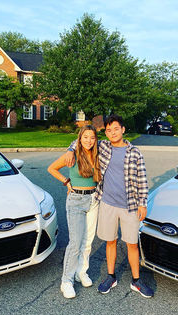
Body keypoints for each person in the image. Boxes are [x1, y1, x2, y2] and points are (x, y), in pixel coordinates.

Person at [65, 114, 154, 298]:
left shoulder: (135, 152)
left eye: (116, 129)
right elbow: (84, 140)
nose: (112, 132)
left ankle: (136, 281)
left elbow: (142, 180)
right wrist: (70, 149)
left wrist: (142, 204)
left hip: (130, 205)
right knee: (110, 241)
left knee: (131, 244)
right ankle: (111, 276)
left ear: (122, 129)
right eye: (109, 130)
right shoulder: (103, 147)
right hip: (107, 203)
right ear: (106, 133)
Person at [48, 125, 101, 299]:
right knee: (75, 242)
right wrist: (66, 182)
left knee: (88, 240)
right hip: (76, 200)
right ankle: (66, 281)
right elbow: (52, 168)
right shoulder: (72, 154)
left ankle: (81, 272)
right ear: (80, 138)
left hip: (93, 200)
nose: (89, 140)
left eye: (92, 137)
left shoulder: (97, 153)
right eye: (85, 137)